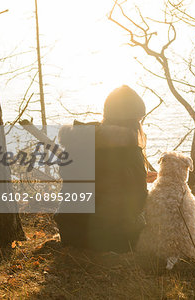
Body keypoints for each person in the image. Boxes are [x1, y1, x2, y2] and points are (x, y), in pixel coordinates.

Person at [55, 85, 156, 252]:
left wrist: (136, 177)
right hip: (111, 238)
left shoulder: (79, 139)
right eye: (138, 120)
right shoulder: (130, 149)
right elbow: (137, 202)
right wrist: (138, 182)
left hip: (71, 230)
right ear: (132, 121)